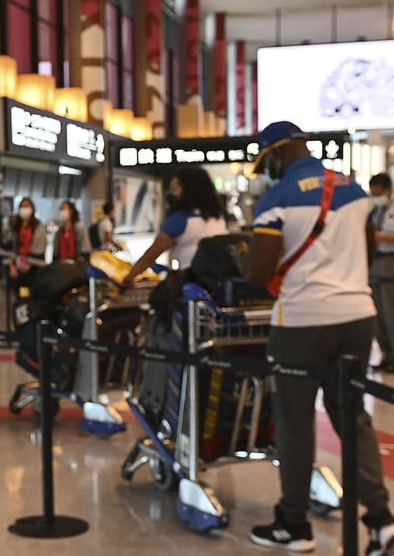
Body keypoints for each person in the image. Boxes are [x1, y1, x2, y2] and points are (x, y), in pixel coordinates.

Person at [246, 122, 394, 554]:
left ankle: (294, 524)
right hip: (357, 316)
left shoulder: (277, 197)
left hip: (303, 321)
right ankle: (381, 521)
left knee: (294, 424)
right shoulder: (352, 189)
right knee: (354, 420)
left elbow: (258, 273)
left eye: (266, 162)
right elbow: (365, 251)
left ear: (276, 154)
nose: (267, 171)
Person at [121, 167, 227, 284]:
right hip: (217, 280)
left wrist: (129, 277)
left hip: (187, 281)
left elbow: (152, 254)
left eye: (175, 189)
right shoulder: (219, 218)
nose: (172, 195)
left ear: (188, 190)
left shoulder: (180, 219)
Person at [368, 172, 394, 372]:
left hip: (389, 262)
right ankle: (386, 354)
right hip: (374, 262)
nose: (375, 196)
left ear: (388, 190)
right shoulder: (376, 210)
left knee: (390, 311)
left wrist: (377, 237)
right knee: (378, 313)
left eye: (378, 193)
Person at [6, 197, 47, 287]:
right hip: (17, 265)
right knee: (19, 293)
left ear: (32, 209)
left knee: (32, 294)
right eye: (22, 206)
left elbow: (40, 247)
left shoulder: (38, 226)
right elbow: (11, 247)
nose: (25, 209)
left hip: (34, 266)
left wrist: (28, 265)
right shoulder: (16, 226)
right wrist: (12, 266)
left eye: (27, 206)